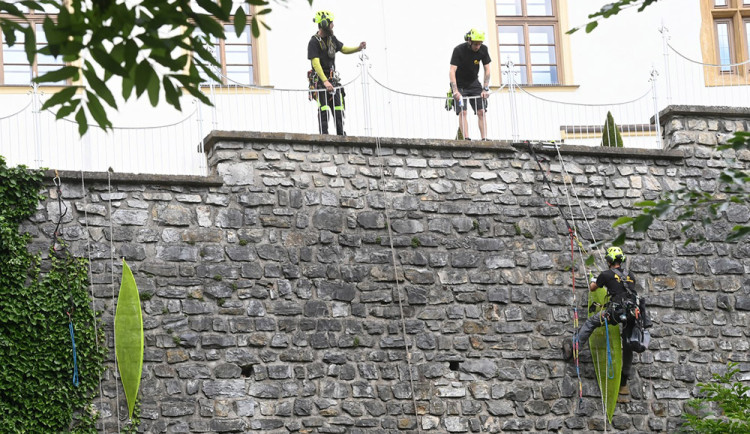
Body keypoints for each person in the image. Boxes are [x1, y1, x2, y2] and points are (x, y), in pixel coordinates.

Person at [563, 246, 652, 395]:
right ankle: (623, 385)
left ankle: (574, 349)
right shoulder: (630, 275)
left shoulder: (605, 274)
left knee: (592, 322)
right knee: (628, 344)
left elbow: (593, 288)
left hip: (615, 312)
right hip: (632, 313)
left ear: (609, 260)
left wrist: (594, 279)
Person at [307, 10, 366, 136]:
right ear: (324, 24)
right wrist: (325, 81)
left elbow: (343, 49)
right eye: (331, 23)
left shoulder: (332, 39)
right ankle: (324, 135)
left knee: (338, 108)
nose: (333, 25)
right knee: (324, 109)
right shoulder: (314, 42)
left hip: (333, 80)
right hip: (321, 81)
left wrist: (358, 48)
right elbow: (316, 64)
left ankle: (340, 134)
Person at [449, 29, 491, 141]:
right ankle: (466, 139)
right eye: (476, 44)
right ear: (469, 41)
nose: (478, 46)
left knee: (481, 111)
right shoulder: (458, 50)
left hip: (474, 83)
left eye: (480, 44)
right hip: (459, 85)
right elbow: (452, 70)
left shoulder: (483, 49)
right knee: (463, 111)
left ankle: (484, 139)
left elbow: (487, 69)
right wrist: (455, 91)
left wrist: (485, 88)